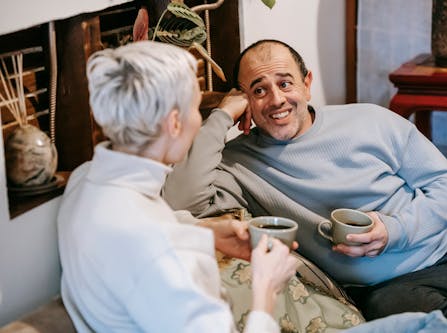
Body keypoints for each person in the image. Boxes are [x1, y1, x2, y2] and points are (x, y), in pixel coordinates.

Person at [163, 39, 447, 333]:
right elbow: (181, 200)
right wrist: (221, 117)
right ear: (245, 102)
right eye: (259, 90)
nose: (276, 99)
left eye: (285, 83)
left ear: (307, 83)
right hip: (390, 288)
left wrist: (394, 230)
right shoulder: (240, 162)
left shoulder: (369, 120)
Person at [57, 40, 299, 333]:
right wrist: (266, 289)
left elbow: (139, 236)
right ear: (174, 124)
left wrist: (205, 234)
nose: (199, 120)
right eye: (196, 108)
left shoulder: (85, 180)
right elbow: (146, 245)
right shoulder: (157, 253)